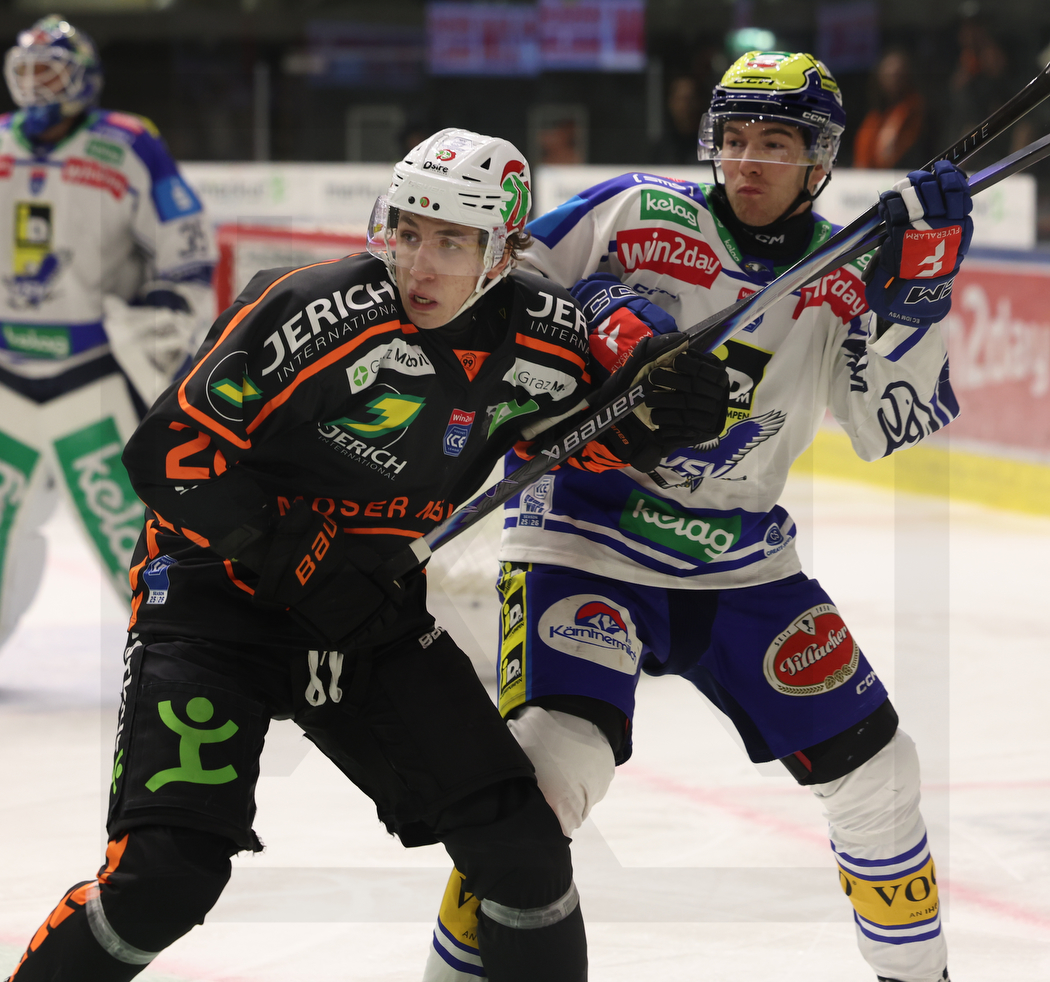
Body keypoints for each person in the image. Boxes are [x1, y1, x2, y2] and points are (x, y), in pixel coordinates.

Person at [5, 127, 729, 982]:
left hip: (367, 618)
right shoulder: (313, 309)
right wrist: (298, 557)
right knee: (163, 881)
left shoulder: (543, 333)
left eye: (451, 242)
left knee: (524, 851)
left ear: (501, 253)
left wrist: (663, 413)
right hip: (214, 604)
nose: (418, 264)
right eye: (409, 231)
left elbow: (581, 436)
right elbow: (169, 454)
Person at [423, 51, 972, 982]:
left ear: (820, 160)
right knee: (545, 778)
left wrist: (918, 295)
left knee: (882, 777)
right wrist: (601, 317)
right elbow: (500, 286)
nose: (748, 161)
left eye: (776, 144)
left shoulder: (847, 269)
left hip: (741, 561)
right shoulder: (635, 211)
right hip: (584, 534)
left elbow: (885, 425)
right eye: (736, 137)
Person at [0, 14, 216, 647]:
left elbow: (185, 237)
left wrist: (171, 307)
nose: (35, 85)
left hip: (92, 375)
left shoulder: (127, 143)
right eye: (26, 71)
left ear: (82, 79)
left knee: (131, 533)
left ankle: (179, 654)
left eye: (49, 72)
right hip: (6, 375)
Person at [853, 48, 928, 170]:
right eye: (889, 74)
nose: (894, 80)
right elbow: (862, 157)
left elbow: (898, 153)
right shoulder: (874, 115)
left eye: (899, 75)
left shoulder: (914, 110)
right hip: (868, 176)